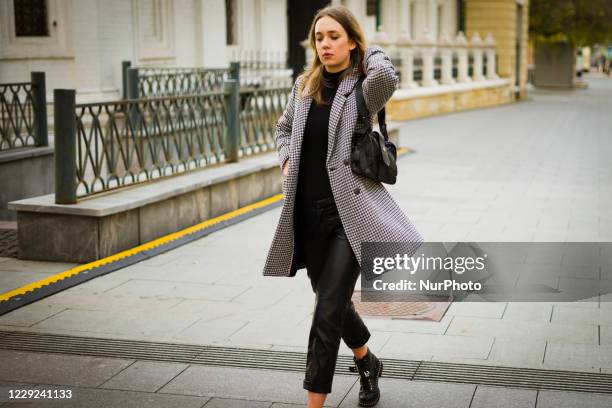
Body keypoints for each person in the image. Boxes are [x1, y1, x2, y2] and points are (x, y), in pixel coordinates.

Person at [262, 5, 423, 408]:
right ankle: (368, 362)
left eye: (334, 36)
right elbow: (283, 128)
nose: (325, 44)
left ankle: (314, 404)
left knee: (326, 312)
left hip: (348, 218)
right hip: (307, 214)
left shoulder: (363, 86)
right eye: (319, 38)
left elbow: (388, 75)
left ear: (351, 40)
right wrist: (286, 159)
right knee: (330, 300)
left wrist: (368, 50)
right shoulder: (304, 85)